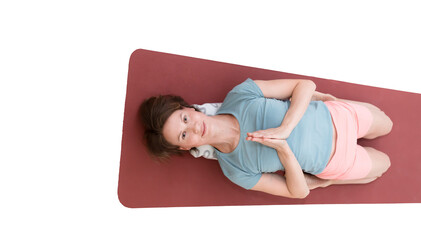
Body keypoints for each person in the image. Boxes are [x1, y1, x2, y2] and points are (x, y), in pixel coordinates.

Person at [139, 78, 393, 198]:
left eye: (185, 120)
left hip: (337, 117)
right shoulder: (234, 170)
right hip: (336, 161)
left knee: (388, 125)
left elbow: (304, 85)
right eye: (184, 135)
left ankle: (334, 102)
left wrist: (286, 127)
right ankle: (336, 179)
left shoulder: (239, 94)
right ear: (187, 147)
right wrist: (284, 150)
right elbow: (297, 192)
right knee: (385, 166)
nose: (193, 128)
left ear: (189, 109)